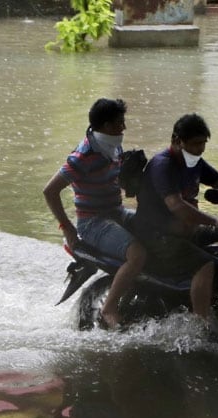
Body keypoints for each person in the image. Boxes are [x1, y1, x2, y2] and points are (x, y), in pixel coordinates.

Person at [135, 113, 218, 321]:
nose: (200, 149)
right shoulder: (163, 165)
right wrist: (215, 221)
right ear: (177, 141)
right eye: (195, 144)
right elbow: (176, 206)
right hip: (158, 235)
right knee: (204, 263)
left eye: (203, 143)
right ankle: (201, 325)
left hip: (184, 230)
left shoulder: (194, 163)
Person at [43, 98, 147, 329]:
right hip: (93, 223)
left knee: (156, 230)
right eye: (120, 123)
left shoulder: (112, 146)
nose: (124, 128)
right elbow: (50, 191)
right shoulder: (83, 156)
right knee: (137, 255)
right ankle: (109, 308)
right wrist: (67, 227)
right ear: (106, 126)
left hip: (116, 212)